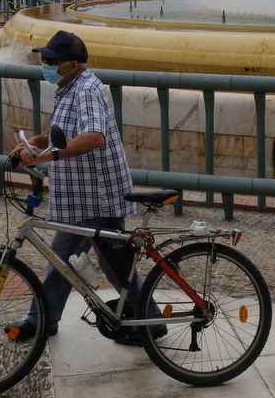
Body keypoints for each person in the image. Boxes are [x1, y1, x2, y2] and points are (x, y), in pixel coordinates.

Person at [11, 30, 163, 344]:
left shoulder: (87, 90)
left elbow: (94, 136)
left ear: (74, 64)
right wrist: (33, 143)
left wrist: (46, 155)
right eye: (44, 59)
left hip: (96, 198)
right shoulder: (67, 88)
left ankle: (150, 322)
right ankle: (42, 320)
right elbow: (64, 133)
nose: (46, 64)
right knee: (61, 260)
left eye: (53, 60)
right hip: (78, 199)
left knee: (116, 266)